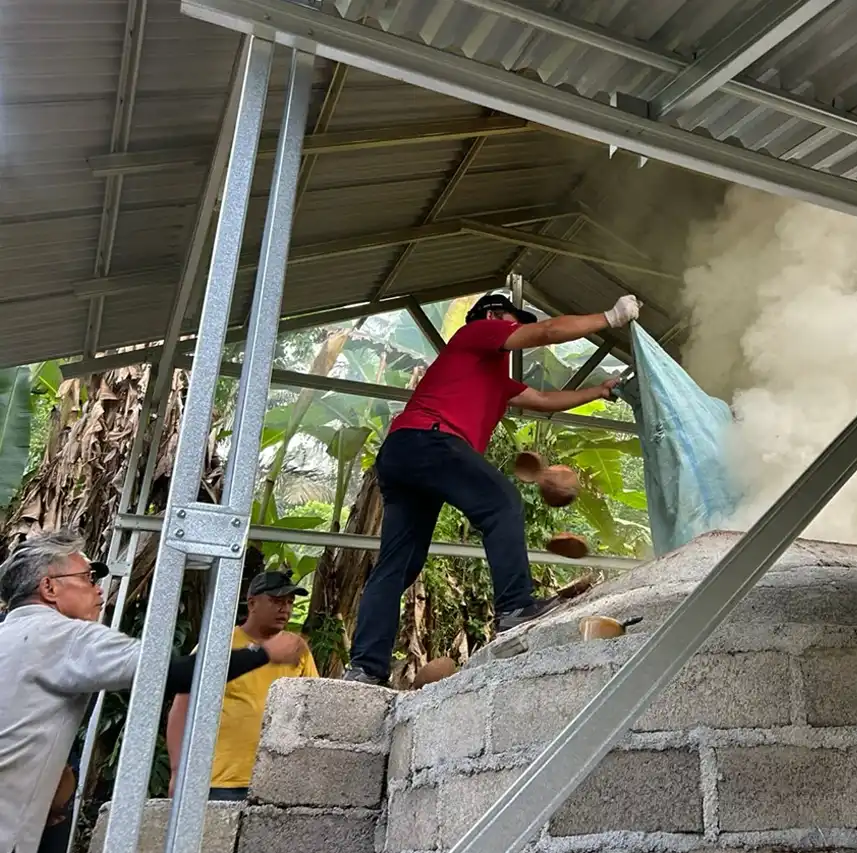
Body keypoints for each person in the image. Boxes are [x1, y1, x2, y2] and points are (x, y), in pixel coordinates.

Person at [343, 292, 642, 685]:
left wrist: (598, 391)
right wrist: (610, 315)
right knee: (501, 503)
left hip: (403, 454)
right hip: (430, 440)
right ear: (490, 316)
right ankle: (515, 607)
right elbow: (548, 331)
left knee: (398, 564)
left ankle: (365, 667)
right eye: (509, 317)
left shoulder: (496, 379)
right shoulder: (477, 334)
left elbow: (547, 400)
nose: (512, 324)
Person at [0, 530, 304, 853]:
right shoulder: (65, 636)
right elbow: (170, 675)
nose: (99, 589)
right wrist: (264, 653)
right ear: (49, 587)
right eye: (88, 578)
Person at [165, 571, 318, 801]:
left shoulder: (296, 648)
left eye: (289, 602)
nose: (285, 609)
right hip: (219, 779)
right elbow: (182, 709)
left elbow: (314, 708)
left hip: (276, 780)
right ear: (252, 603)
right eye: (276, 601)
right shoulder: (220, 645)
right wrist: (177, 770)